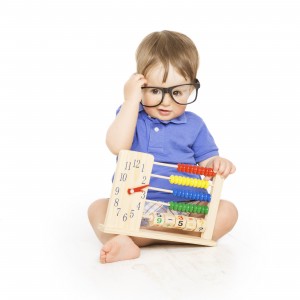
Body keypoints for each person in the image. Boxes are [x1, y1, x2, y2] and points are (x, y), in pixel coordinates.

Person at [88, 30, 238, 264]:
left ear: (191, 89)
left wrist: (217, 164)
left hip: (187, 208)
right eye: (155, 91)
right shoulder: (131, 116)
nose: (166, 101)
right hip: (135, 207)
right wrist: (130, 102)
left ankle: (144, 239)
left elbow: (208, 161)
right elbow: (117, 146)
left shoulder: (195, 125)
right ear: (140, 86)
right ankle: (150, 238)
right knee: (97, 208)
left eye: (177, 92)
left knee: (228, 211)